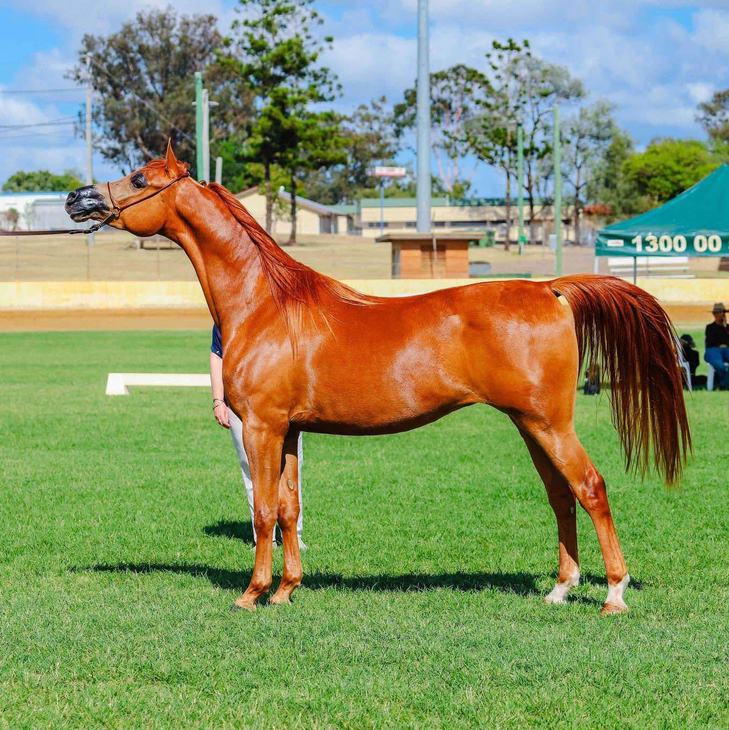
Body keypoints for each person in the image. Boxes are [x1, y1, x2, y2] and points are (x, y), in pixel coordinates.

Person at [210, 325, 306, 548]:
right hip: (242, 403)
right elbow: (217, 353)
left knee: (291, 466)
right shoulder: (229, 319)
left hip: (282, 404)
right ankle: (264, 538)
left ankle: (295, 535)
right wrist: (218, 400)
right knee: (251, 468)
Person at [704, 303, 729, 389]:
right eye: (718, 313)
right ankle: (725, 383)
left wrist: (725, 327)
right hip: (714, 350)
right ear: (714, 314)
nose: (720, 315)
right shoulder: (710, 327)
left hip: (727, 349)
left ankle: (723, 384)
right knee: (719, 365)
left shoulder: (727, 328)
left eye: (721, 312)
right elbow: (711, 342)